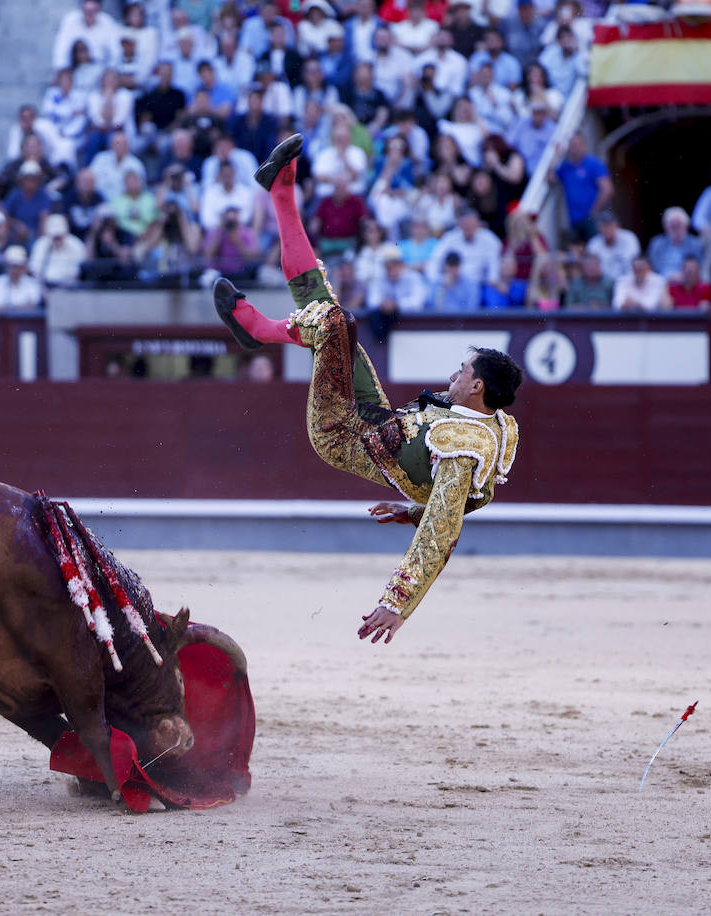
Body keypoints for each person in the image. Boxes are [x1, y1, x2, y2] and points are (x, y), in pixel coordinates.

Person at [211, 134, 523, 644]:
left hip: (339, 432)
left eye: (462, 372)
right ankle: (279, 192)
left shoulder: (466, 445)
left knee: (334, 322)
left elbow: (443, 530)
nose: (453, 375)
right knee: (322, 301)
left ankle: (258, 329)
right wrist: (413, 507)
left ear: (477, 387)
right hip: (377, 417)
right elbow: (470, 499)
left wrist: (396, 604)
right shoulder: (496, 427)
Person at [553, 133, 611, 242]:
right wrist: (555, 156)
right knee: (577, 253)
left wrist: (594, 211)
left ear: (584, 145)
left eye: (577, 144)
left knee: (594, 249)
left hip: (591, 218)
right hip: (573, 219)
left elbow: (607, 189)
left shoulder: (593, 164)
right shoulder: (566, 167)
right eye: (572, 145)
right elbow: (550, 178)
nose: (575, 148)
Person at [647, 207, 703, 282]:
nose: (676, 230)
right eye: (673, 226)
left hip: (688, 282)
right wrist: (666, 277)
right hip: (661, 282)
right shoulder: (657, 243)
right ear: (665, 227)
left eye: (679, 226)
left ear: (686, 226)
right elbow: (652, 267)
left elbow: (700, 267)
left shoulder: (696, 244)